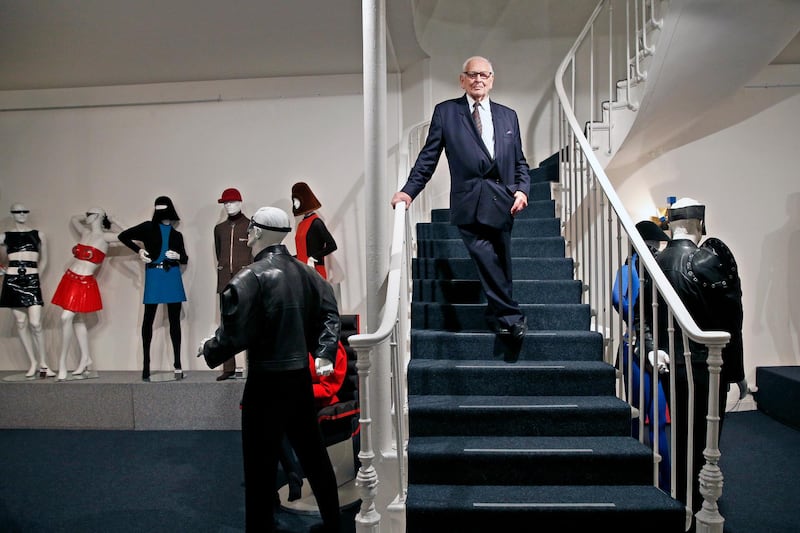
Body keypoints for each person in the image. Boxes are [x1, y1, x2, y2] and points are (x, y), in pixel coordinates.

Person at [199, 206, 341, 533]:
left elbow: (235, 335)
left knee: (260, 468)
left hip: (264, 384)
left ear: (258, 232)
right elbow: (330, 317)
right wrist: (323, 354)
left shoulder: (247, 279)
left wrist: (210, 347)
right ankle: (335, 525)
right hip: (299, 381)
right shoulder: (308, 274)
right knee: (315, 459)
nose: (247, 236)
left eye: (249, 230)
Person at [391, 55, 531, 339]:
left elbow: (520, 162)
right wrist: (409, 191)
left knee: (502, 263)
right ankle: (512, 317)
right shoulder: (446, 112)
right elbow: (428, 158)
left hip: (503, 201)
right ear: (462, 79)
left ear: (491, 80)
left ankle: (496, 315)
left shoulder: (508, 116)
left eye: (484, 75)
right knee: (485, 258)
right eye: (472, 74)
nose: (478, 79)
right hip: (469, 201)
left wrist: (522, 189)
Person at [646, 197, 744, 520]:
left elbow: (646, 317)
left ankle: (683, 501)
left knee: (682, 436)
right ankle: (702, 507)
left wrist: (654, 346)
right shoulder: (709, 260)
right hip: (705, 367)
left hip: (669, 364)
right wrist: (737, 372)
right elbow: (732, 321)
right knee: (707, 441)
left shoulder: (654, 264)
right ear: (698, 223)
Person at [611, 220, 671, 491]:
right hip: (638, 347)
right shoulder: (631, 269)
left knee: (649, 417)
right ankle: (653, 479)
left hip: (642, 345)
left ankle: (655, 478)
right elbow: (617, 299)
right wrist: (637, 317)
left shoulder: (642, 268)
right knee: (648, 417)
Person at [119, 196, 188, 381]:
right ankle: (146, 365)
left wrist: (177, 255)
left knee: (174, 322)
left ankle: (177, 364)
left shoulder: (176, 235)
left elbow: (185, 259)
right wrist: (139, 251)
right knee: (148, 319)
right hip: (155, 275)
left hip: (172, 275)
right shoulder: (147, 227)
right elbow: (123, 236)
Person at [52, 208, 125, 381]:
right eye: (86, 214)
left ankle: (62, 364)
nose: (86, 217)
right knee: (78, 319)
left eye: (90, 214)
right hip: (70, 279)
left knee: (65, 318)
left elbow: (129, 235)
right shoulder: (85, 232)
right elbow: (73, 218)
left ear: (99, 216)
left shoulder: (105, 237)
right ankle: (86, 358)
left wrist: (114, 220)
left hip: (84, 282)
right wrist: (88, 216)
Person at [0, 203, 53, 377]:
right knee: (21, 323)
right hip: (13, 279)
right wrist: (2, 269)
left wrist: (38, 276)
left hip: (31, 279)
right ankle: (33, 362)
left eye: (24, 211)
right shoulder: (5, 237)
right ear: (12, 214)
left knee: (36, 323)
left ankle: (44, 364)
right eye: (17, 212)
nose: (21, 214)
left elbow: (44, 260)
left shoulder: (38, 235)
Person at [213, 187, 251, 381]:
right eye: (225, 203)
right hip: (225, 281)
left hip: (246, 280)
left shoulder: (250, 225)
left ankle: (252, 365)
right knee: (226, 324)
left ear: (240, 202)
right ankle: (228, 367)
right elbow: (219, 252)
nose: (228, 206)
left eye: (232, 202)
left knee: (250, 321)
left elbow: (254, 250)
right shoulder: (219, 229)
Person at [292, 181, 338, 280]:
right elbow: (303, 250)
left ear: (305, 200)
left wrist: (314, 257)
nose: (295, 203)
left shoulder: (316, 222)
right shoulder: (301, 224)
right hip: (302, 270)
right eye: (294, 200)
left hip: (315, 271)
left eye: (297, 200)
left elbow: (332, 245)